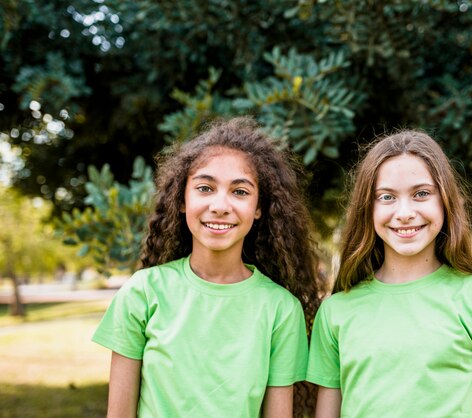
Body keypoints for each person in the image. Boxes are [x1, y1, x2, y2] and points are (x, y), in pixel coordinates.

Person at [93, 117, 320, 417]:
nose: (220, 205)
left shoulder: (281, 309)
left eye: (240, 192)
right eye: (205, 188)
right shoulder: (143, 292)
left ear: (259, 208)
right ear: (182, 200)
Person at [306, 130, 472, 417]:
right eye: (387, 196)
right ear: (368, 208)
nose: (404, 212)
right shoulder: (335, 311)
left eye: (421, 194)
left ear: (445, 202)